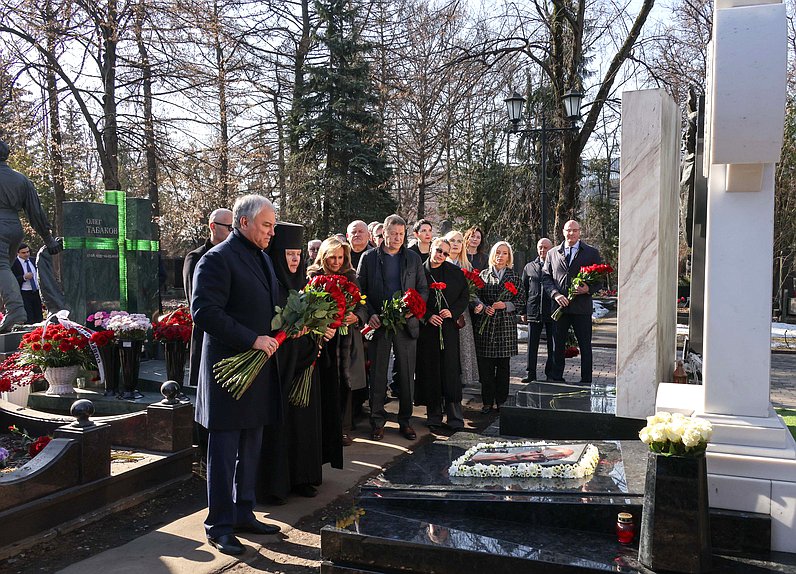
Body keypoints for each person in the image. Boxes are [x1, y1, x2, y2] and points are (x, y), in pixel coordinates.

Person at [191, 195, 282, 556]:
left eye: (273, 225)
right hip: (228, 372)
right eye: (267, 225)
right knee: (225, 452)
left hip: (256, 370)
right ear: (244, 223)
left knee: (251, 447)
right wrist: (251, 338)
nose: (271, 232)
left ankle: (244, 512)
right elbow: (205, 312)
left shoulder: (261, 257)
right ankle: (219, 524)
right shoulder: (216, 260)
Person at [258, 222, 340, 504]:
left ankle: (304, 476)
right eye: (288, 254)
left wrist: (321, 329)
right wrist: (291, 332)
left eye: (297, 254)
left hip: (305, 363)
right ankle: (278, 483)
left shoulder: (305, 285)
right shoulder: (270, 285)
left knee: (305, 421)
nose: (294, 259)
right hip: (280, 365)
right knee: (282, 425)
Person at [357, 214, 428, 441]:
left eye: (401, 234)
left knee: (407, 375)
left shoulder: (413, 259)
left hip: (406, 324)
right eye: (393, 234)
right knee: (378, 375)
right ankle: (377, 421)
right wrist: (371, 315)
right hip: (379, 324)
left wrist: (413, 309)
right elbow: (360, 293)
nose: (397, 238)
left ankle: (405, 421)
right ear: (383, 234)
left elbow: (423, 290)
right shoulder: (368, 258)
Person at [307, 236, 369, 447]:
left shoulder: (350, 276)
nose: (336, 262)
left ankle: (343, 429)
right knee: (323, 382)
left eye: (340, 258)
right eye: (332, 257)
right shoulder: (314, 275)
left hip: (346, 339)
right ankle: (321, 427)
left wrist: (357, 317)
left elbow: (362, 303)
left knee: (344, 383)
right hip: (322, 338)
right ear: (324, 256)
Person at [0, 140, 61, 333]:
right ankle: (11, 310)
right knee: (4, 270)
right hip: (14, 228)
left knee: (1, 267)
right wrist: (48, 238)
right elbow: (35, 212)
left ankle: (16, 310)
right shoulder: (21, 179)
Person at [415, 237, 469, 431]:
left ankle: (455, 416)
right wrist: (428, 316)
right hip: (428, 330)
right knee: (431, 371)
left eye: (446, 253)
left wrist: (452, 312)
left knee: (451, 370)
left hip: (448, 329)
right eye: (438, 251)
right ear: (431, 248)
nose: (441, 256)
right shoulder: (419, 270)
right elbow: (413, 297)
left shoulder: (455, 272)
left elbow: (464, 295)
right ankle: (434, 415)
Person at [542, 220, 603, 385]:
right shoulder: (553, 253)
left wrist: (588, 289)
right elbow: (546, 278)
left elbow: (600, 280)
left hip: (581, 308)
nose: (571, 234)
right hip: (559, 307)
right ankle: (556, 378)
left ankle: (586, 380)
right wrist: (555, 295)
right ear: (563, 232)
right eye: (569, 230)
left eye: (575, 230)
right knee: (557, 346)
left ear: (579, 232)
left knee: (585, 346)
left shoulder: (591, 253)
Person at [183, 208, 234, 388]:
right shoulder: (196, 257)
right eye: (229, 227)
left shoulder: (235, 256)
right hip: (207, 336)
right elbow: (195, 304)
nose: (232, 232)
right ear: (212, 226)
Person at [472, 241, 521, 413]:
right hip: (486, 325)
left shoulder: (514, 277)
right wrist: (484, 307)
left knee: (503, 368)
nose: (501, 256)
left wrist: (506, 305)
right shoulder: (483, 275)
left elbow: (521, 301)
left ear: (509, 256)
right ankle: (487, 401)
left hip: (505, 327)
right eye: (498, 252)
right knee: (486, 367)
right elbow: (474, 296)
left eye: (505, 253)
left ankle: (501, 401)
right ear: (493, 254)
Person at [444, 230, 480, 389]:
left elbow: (471, 292)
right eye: (453, 240)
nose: (456, 244)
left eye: (459, 241)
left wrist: (477, 303)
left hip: (462, 313)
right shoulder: (440, 262)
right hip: (444, 312)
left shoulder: (467, 265)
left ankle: (460, 381)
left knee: (463, 348)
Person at [521, 238, 557, 383]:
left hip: (552, 310)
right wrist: (523, 311)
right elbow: (523, 290)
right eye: (540, 247)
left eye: (546, 248)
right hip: (533, 310)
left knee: (552, 344)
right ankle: (531, 373)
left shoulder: (556, 265)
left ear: (551, 249)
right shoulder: (529, 267)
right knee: (532, 344)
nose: (543, 250)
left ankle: (551, 373)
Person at [12, 243, 43, 323]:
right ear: (17, 253)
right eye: (23, 253)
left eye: (27, 252)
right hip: (24, 293)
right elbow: (12, 279)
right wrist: (24, 277)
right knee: (29, 316)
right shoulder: (14, 263)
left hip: (36, 291)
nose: (26, 254)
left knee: (39, 315)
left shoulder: (34, 260)